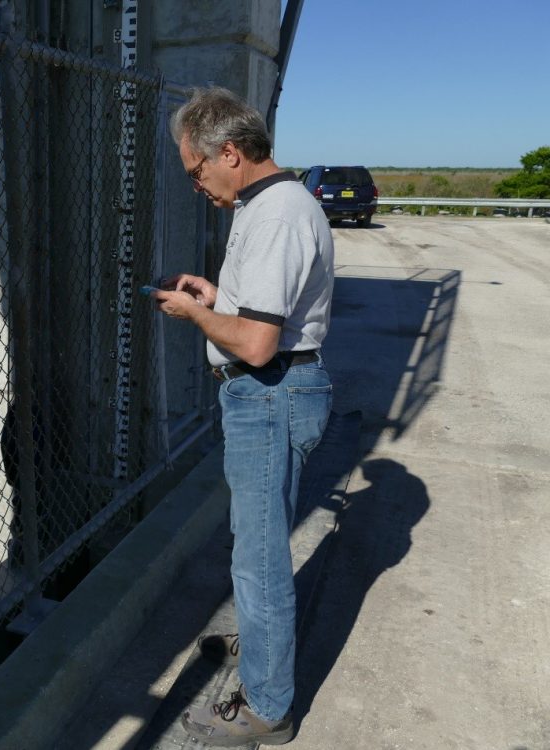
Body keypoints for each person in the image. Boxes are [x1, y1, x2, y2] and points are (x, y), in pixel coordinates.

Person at [153, 87, 334, 746]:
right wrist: (218, 295)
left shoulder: (276, 214)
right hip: (276, 392)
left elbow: (258, 344)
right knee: (255, 548)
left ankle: (267, 706)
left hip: (270, 393)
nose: (196, 184)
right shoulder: (272, 205)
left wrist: (194, 313)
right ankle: (263, 650)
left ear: (230, 152)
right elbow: (264, 310)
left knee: (259, 563)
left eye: (197, 171)